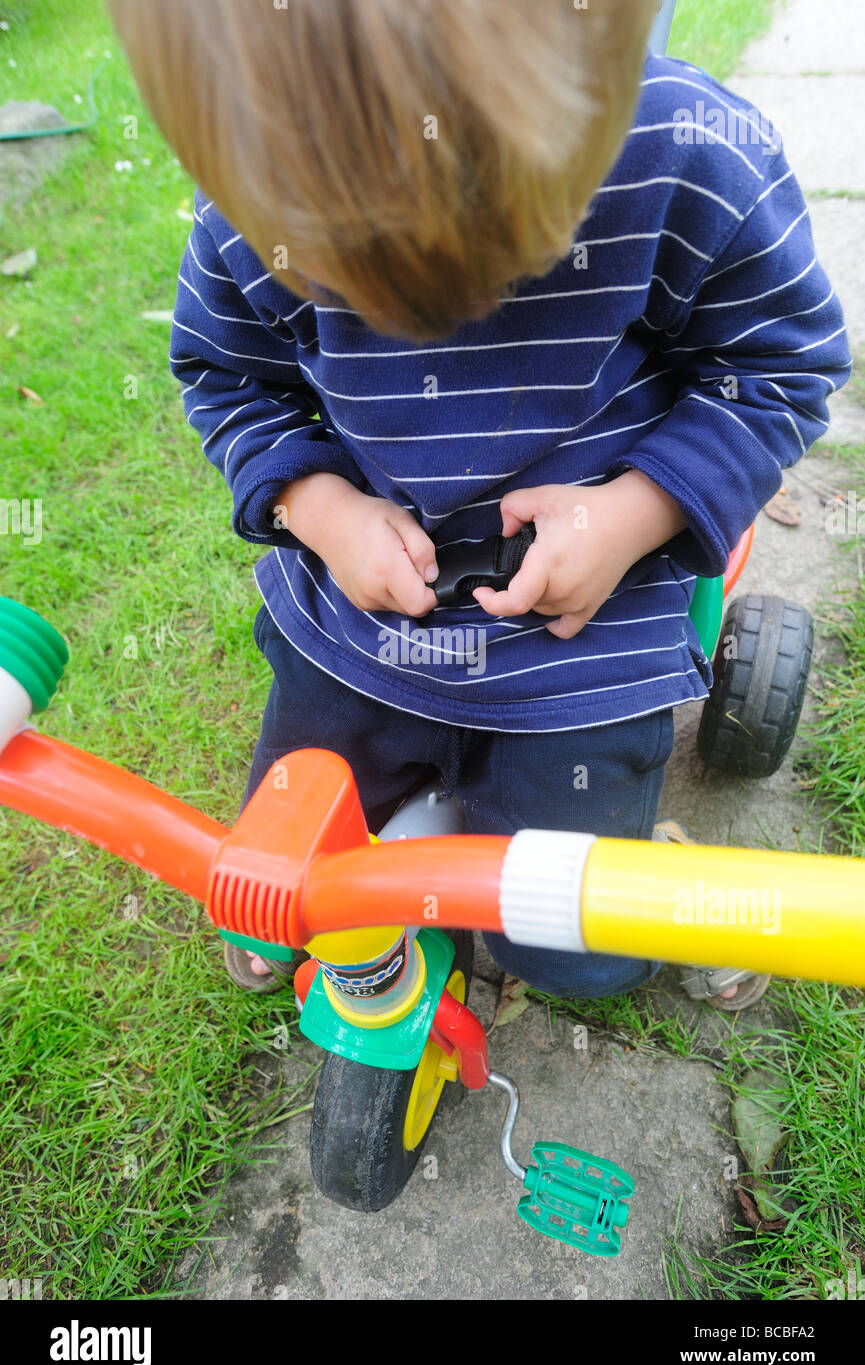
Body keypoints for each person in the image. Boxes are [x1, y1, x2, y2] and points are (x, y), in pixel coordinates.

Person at [108, 0, 851, 1005]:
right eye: (347, 280)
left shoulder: (683, 154)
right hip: (359, 624)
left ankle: (662, 867)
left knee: (574, 959)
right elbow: (228, 376)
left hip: (581, 634)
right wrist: (320, 509)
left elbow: (775, 367)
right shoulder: (251, 195)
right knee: (287, 881)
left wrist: (629, 514)